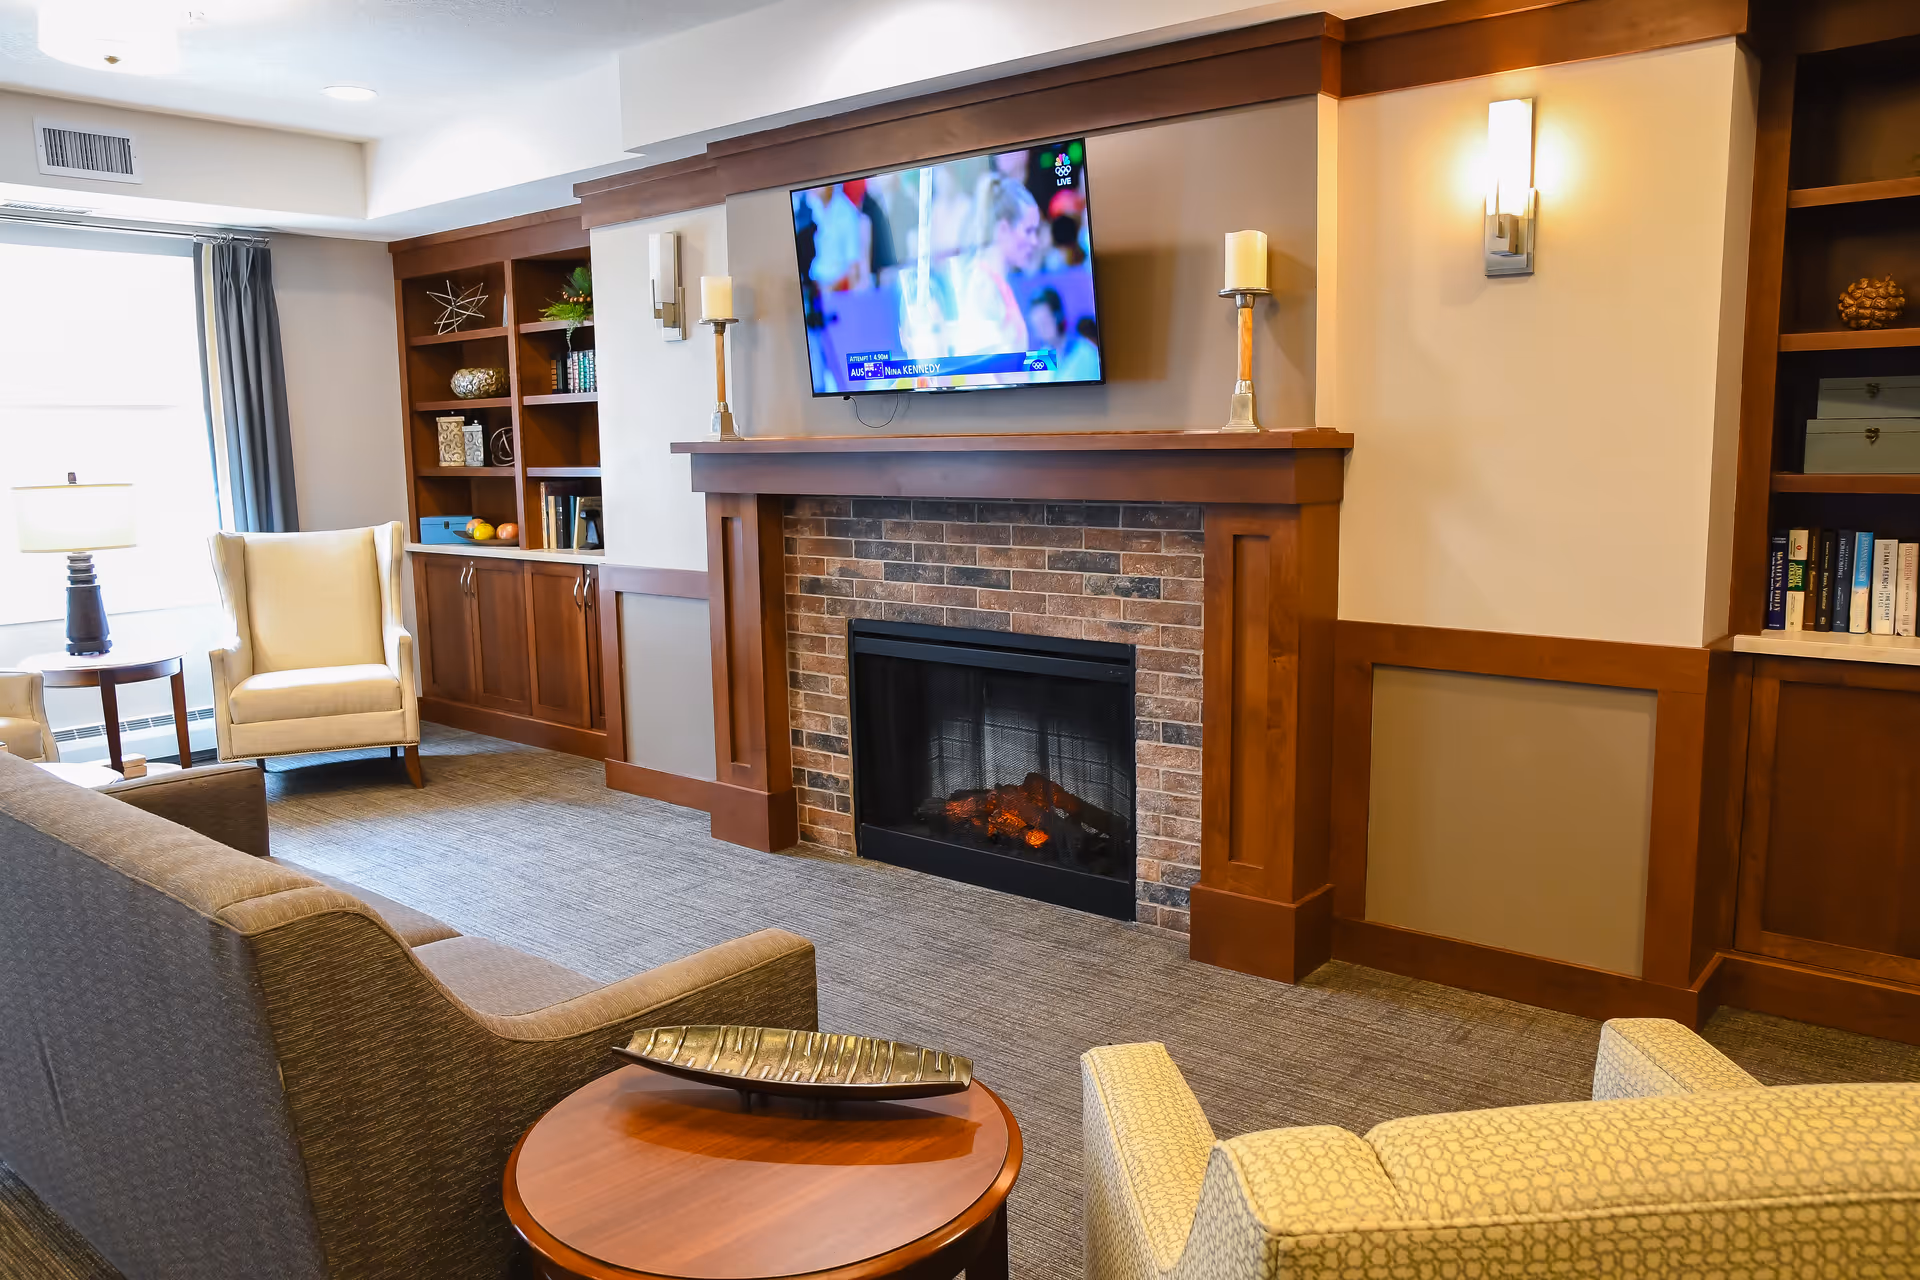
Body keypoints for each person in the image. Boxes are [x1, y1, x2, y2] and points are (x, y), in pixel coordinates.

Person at [948, 173, 1043, 362]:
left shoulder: (996, 283)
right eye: (1028, 231)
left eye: (1036, 231)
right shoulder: (983, 285)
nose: (1035, 242)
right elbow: (981, 371)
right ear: (1003, 229)